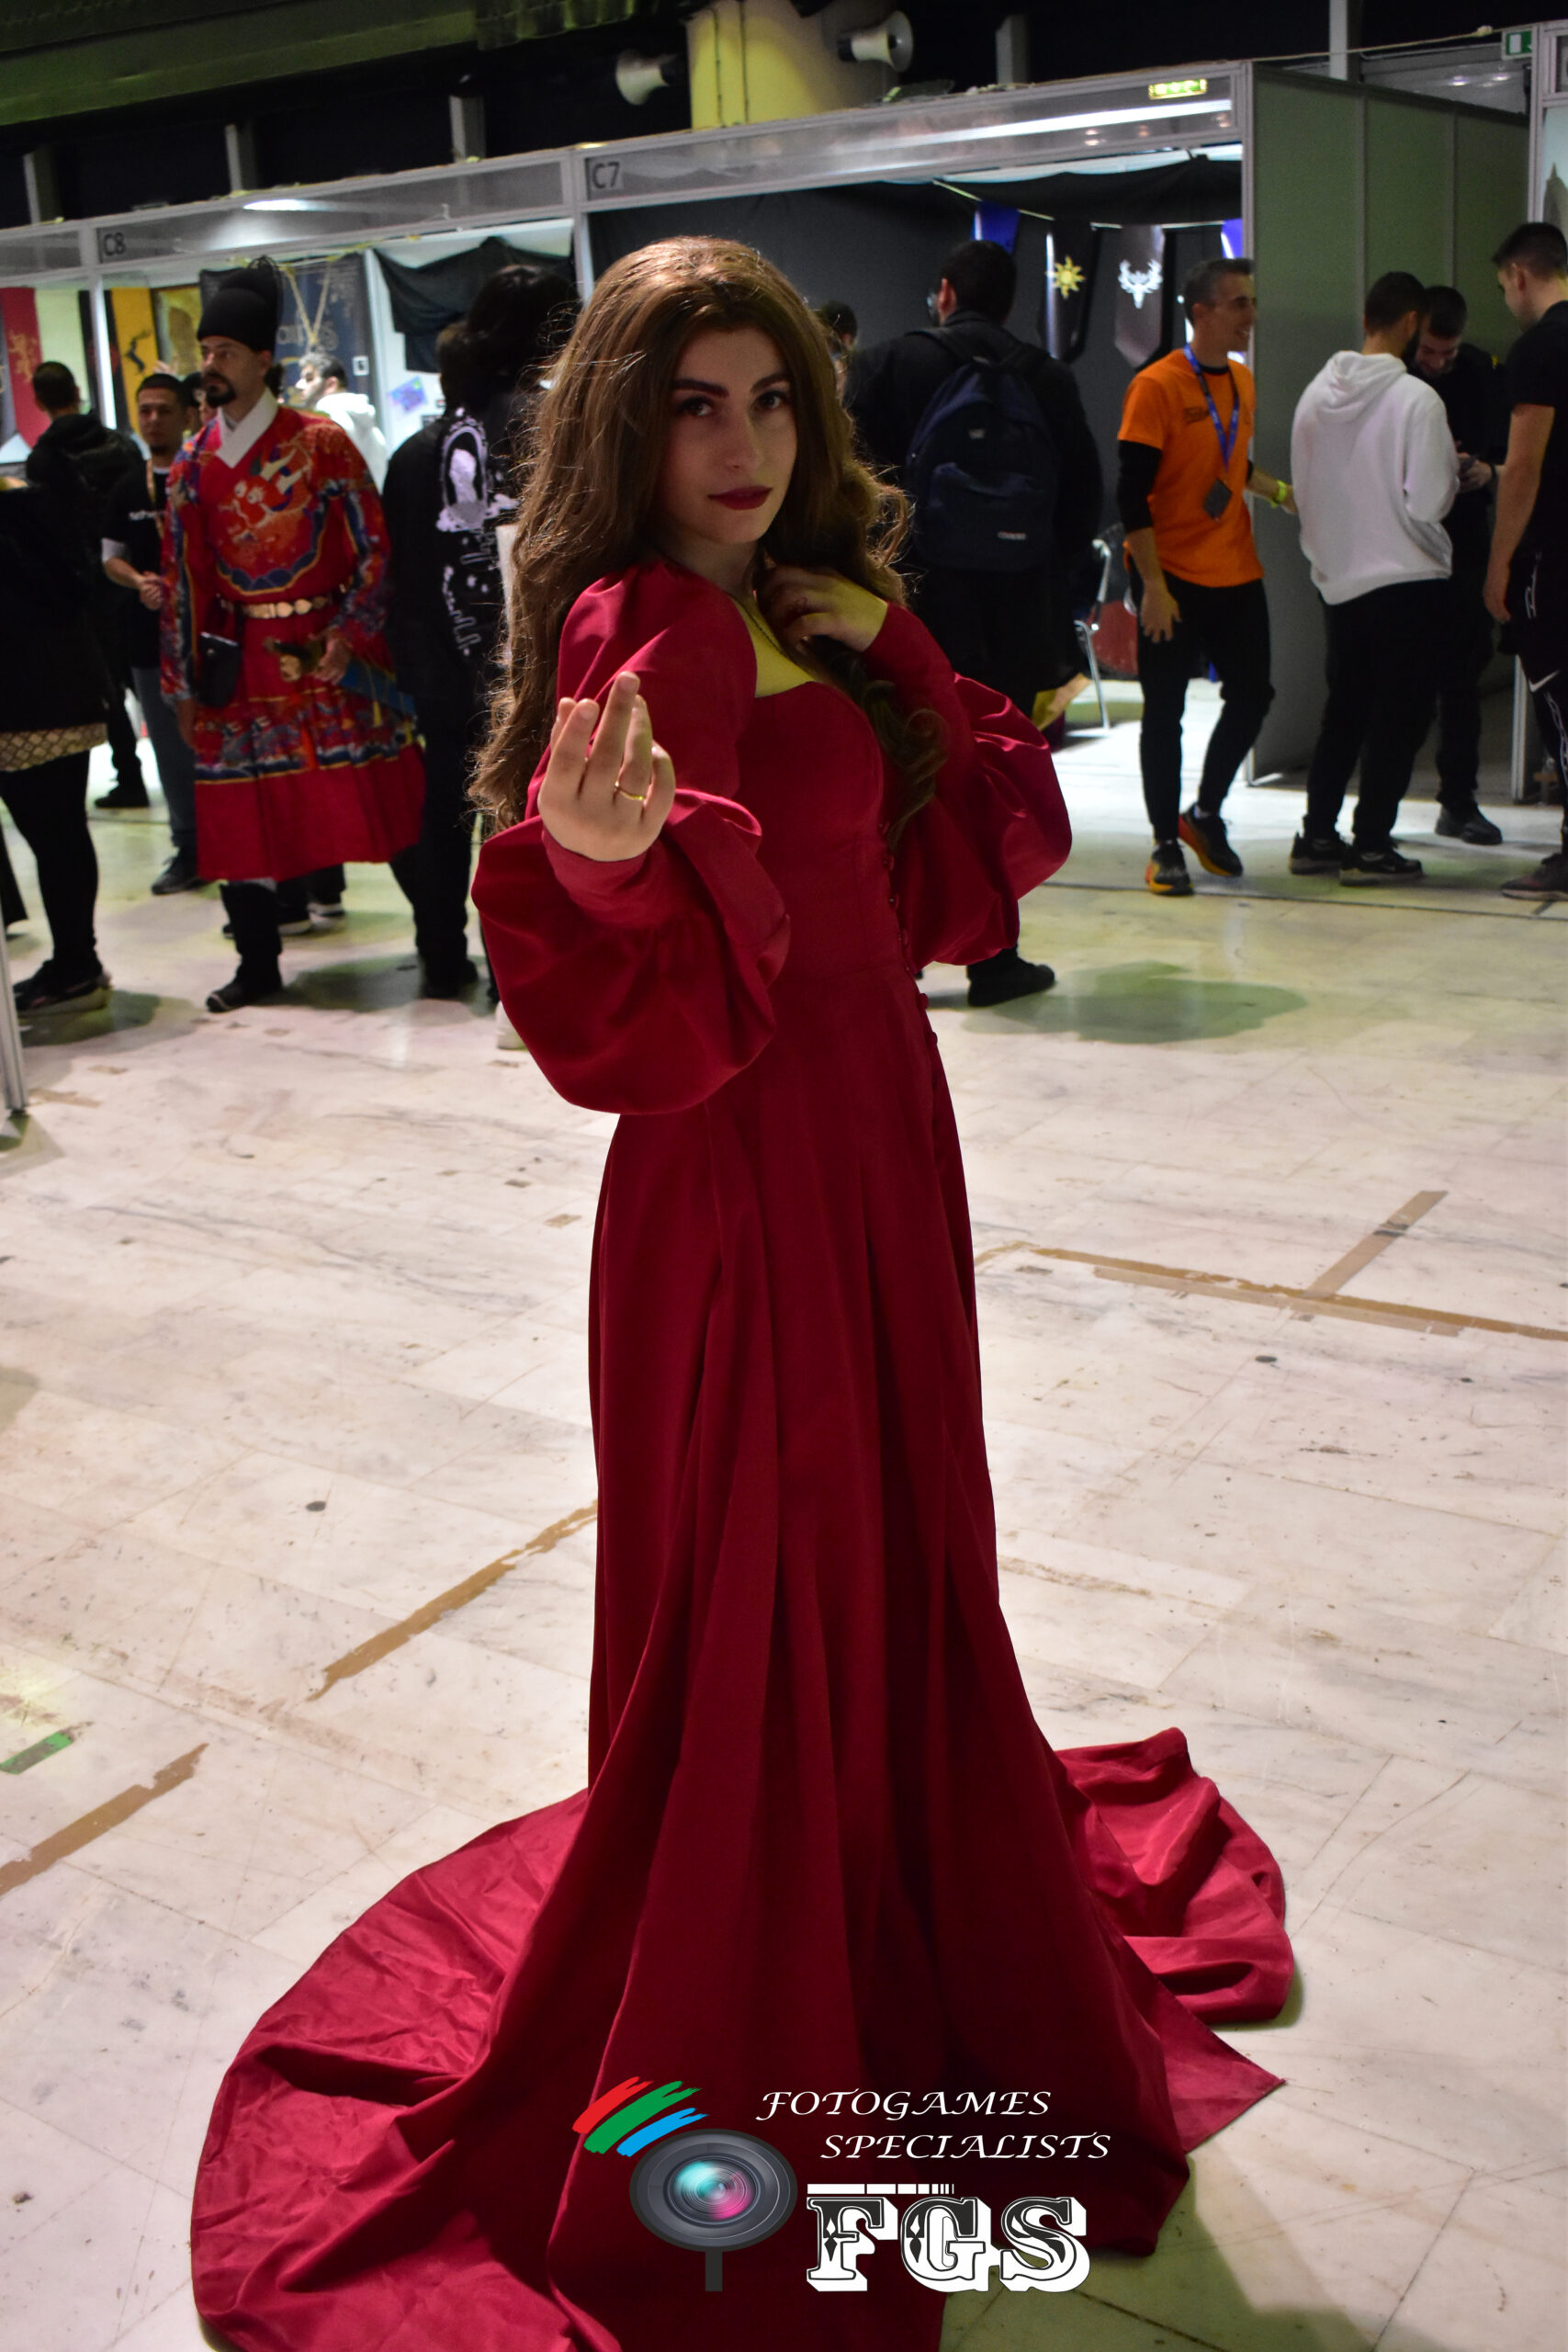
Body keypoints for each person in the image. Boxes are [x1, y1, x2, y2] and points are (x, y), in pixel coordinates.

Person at [187, 237, 1292, 2352]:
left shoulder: (793, 599)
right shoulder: (647, 626)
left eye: (770, 397)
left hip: (879, 1140)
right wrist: (599, 864)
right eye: (693, 403)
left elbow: (975, 859)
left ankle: (882, 1892)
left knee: (887, 1541)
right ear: (623, 425)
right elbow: (614, 952)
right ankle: (766, 1988)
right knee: (773, 1567)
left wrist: (895, 641)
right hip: (742, 1172)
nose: (742, 441)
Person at [162, 260, 425, 1011]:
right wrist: (182, 682)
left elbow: (376, 548)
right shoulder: (191, 464)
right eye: (205, 352)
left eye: (224, 353)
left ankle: (440, 944)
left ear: (261, 360)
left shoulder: (322, 444)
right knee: (239, 816)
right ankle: (257, 964)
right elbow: (182, 580)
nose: (210, 366)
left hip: (329, 649)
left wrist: (351, 632)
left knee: (390, 797)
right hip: (241, 659)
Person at [846, 236, 1101, 1001]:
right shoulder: (1045, 378)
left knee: (897, 780)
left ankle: (901, 951)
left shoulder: (886, 365)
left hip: (905, 614)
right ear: (1009, 301)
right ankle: (995, 956)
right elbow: (1082, 502)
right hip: (1015, 620)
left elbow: (844, 485)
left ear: (945, 293)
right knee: (992, 777)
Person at [382, 264, 578, 995]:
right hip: (536, 665)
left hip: (438, 670)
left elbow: (400, 576)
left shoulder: (416, 452)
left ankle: (439, 958)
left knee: (444, 808)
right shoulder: (553, 429)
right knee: (519, 811)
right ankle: (514, 975)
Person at [1117, 256, 1293, 895]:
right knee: (1164, 713)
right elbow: (1131, 495)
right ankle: (1165, 843)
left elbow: (1229, 466)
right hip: (1171, 578)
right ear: (1201, 313)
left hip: (1235, 570)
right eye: (1238, 303)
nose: (1251, 316)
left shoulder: (1241, 382)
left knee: (1253, 695)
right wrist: (1153, 587)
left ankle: (1204, 814)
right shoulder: (1156, 386)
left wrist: (1281, 493)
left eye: (1251, 302)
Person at [1290, 272, 1458, 883]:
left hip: (1338, 579)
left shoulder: (1314, 395)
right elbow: (1428, 500)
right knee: (1399, 716)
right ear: (1412, 322)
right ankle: (1370, 845)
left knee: (1345, 709)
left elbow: (1303, 490)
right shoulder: (1417, 400)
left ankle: (1316, 835)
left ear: (1366, 319)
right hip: (1406, 577)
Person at [1, 480, 109, 1012]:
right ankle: (76, 958)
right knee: (60, 834)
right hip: (57, 697)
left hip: (27, 705)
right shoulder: (39, 505)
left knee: (55, 835)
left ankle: (75, 963)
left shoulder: (17, 518)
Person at [1485, 222, 1568, 901]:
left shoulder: (1540, 348)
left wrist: (1499, 564)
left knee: (1560, 702)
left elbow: (1523, 468)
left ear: (1518, 274)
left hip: (1554, 555)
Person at [1406, 288, 1506, 844]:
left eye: (1447, 353)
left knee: (1463, 677)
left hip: (1464, 538)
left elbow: (1511, 453)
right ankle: (1376, 814)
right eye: (1429, 351)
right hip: (1405, 542)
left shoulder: (1480, 375)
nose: (1437, 363)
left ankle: (1459, 801)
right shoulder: (1394, 376)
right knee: (1400, 680)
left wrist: (1486, 470)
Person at [102, 372, 207, 894]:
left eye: (164, 410)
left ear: (187, 415)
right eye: (145, 410)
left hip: (210, 641)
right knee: (169, 750)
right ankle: (189, 847)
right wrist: (138, 580)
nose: (153, 420)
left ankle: (237, 845)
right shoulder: (127, 486)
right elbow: (110, 558)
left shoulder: (204, 475)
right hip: (150, 642)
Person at [24, 358, 145, 808]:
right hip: (140, 575)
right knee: (150, 675)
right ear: (77, 391)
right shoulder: (121, 444)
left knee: (109, 687)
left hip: (89, 587)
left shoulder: (44, 460)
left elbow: (49, 530)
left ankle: (129, 775)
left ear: (38, 401)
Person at [295, 349, 389, 486]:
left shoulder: (328, 415)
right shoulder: (364, 419)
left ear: (331, 384)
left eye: (309, 379)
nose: (299, 385)